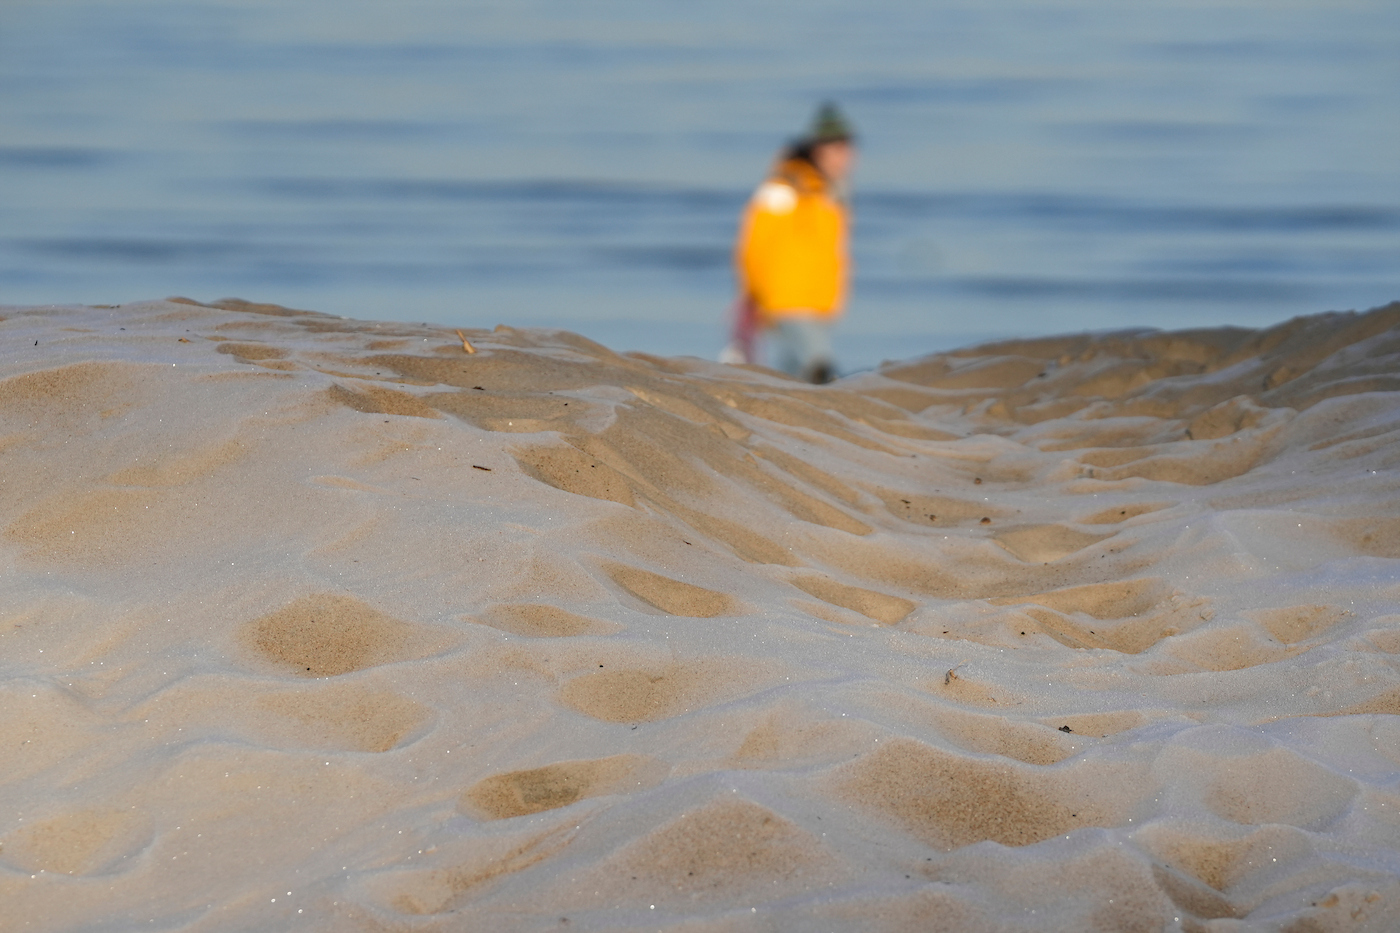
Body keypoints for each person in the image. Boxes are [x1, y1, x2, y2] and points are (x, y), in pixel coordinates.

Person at [723, 102, 856, 384]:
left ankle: (780, 423)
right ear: (818, 149)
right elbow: (753, 243)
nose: (845, 157)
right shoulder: (784, 187)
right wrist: (750, 295)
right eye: (837, 148)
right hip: (787, 298)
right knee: (820, 368)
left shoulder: (829, 192)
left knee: (792, 377)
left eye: (847, 148)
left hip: (817, 302)